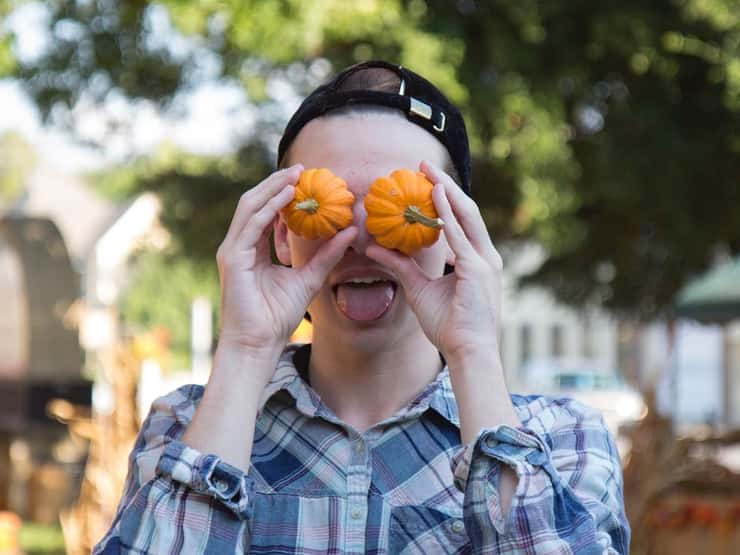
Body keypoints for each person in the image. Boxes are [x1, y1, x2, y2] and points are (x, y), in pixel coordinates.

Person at [94, 60, 630, 554]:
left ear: (455, 233)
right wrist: (245, 349)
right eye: (324, 207)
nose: (359, 239)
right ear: (281, 233)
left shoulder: (562, 438)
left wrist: (474, 353)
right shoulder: (190, 424)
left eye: (400, 204)